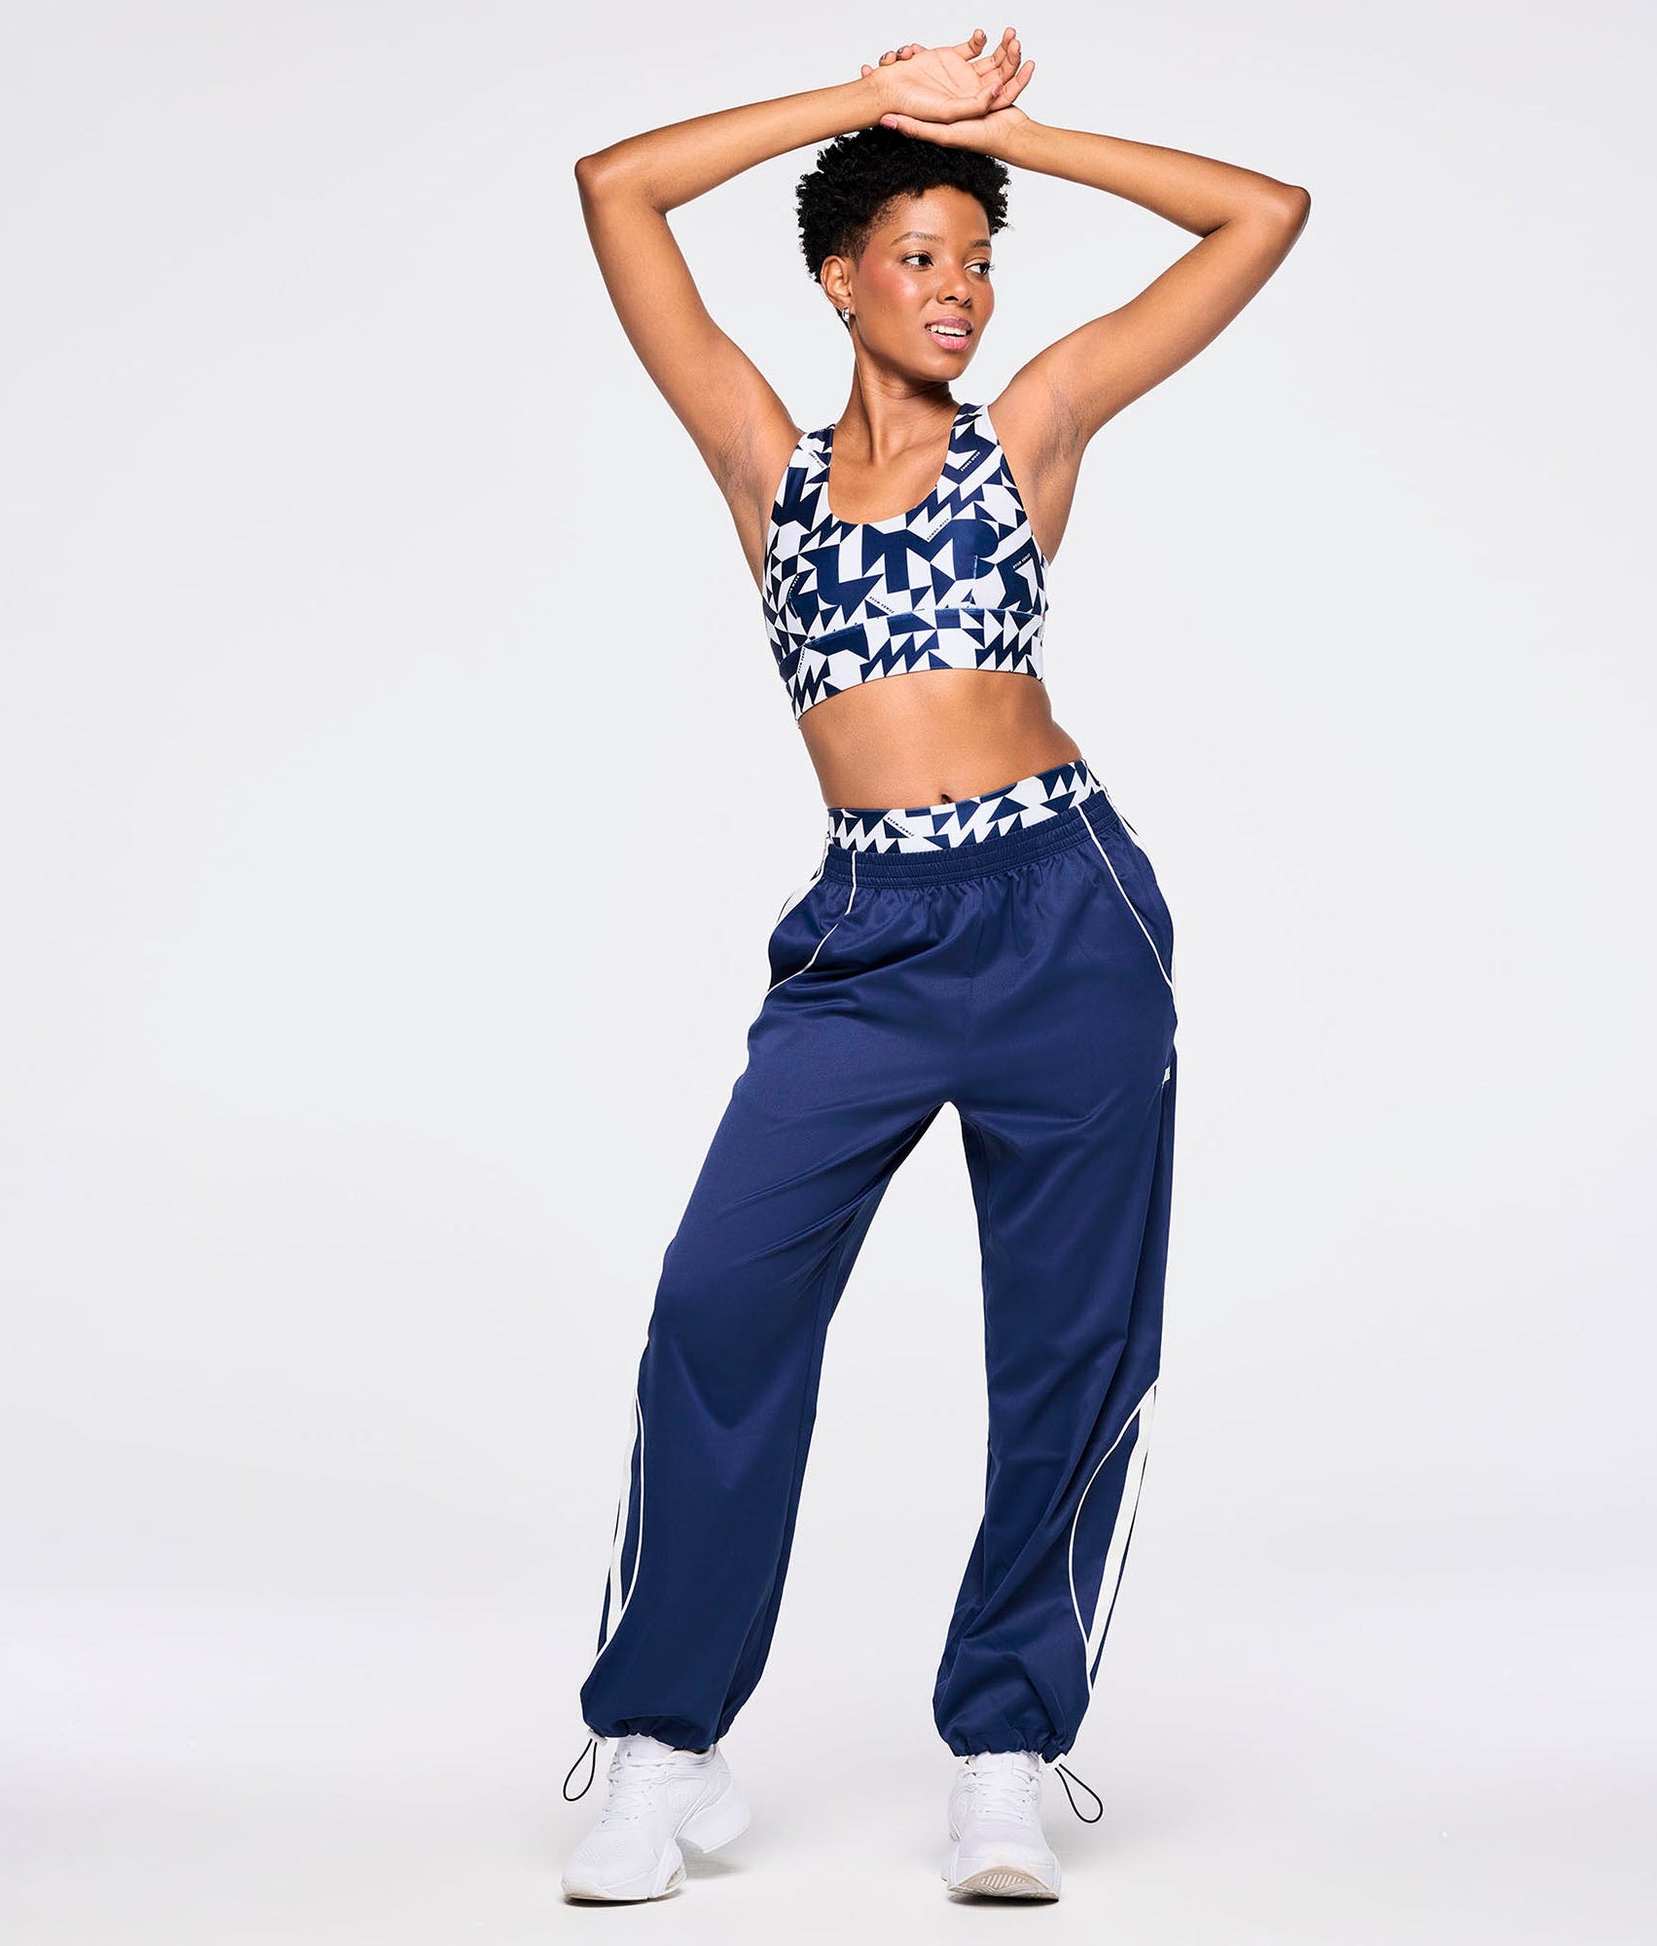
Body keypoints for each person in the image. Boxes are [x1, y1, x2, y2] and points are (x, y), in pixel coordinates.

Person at [557, 25, 1309, 1905]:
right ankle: (662, 1743)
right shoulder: (766, 464)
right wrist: (869, 108)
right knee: (717, 1307)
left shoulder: (1029, 430)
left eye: (977, 260)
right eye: (917, 254)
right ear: (838, 278)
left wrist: (1011, 142)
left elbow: (1261, 213)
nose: (958, 287)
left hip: (1065, 912)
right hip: (867, 938)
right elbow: (614, 188)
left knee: (1069, 1340)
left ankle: (1002, 1750)